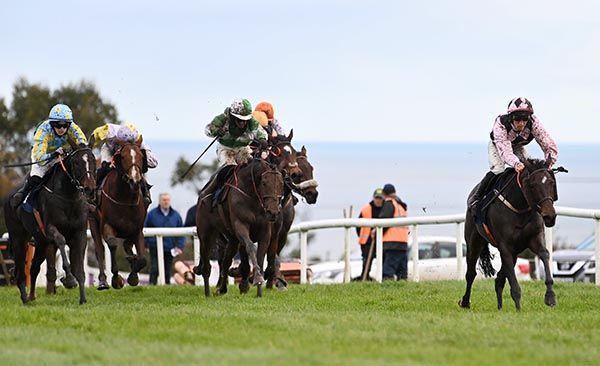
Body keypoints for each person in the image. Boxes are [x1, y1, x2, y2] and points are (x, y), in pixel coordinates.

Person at [470, 97, 559, 211]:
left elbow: (547, 142)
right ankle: (477, 198)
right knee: (498, 169)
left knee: (530, 171)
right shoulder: (501, 123)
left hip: (517, 146)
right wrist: (516, 163)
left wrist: (549, 162)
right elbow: (505, 151)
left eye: (524, 119)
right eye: (517, 119)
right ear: (511, 118)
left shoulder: (534, 122)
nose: (521, 124)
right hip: (499, 146)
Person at [10, 104, 88, 209]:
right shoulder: (43, 130)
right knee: (36, 179)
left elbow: (83, 145)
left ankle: (88, 199)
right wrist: (53, 154)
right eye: (58, 125)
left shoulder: (73, 128)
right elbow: (40, 159)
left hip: (64, 154)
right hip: (43, 156)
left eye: (65, 126)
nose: (62, 129)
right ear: (52, 124)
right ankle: (24, 194)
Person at [203, 99, 268, 204]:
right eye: (240, 120)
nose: (243, 123)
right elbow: (207, 130)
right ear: (233, 116)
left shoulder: (252, 122)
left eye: (245, 120)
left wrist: (263, 140)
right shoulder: (223, 119)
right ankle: (213, 194)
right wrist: (216, 131)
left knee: (252, 167)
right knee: (229, 168)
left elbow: (261, 133)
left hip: (243, 148)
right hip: (225, 149)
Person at [90, 122, 158, 206]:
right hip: (110, 150)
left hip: (128, 156)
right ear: (118, 138)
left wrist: (141, 157)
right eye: (124, 142)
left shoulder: (140, 142)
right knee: (104, 168)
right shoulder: (109, 131)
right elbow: (93, 139)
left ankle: (145, 191)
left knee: (136, 169)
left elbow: (154, 163)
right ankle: (92, 192)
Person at [144, 193, 185, 285]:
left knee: (167, 269)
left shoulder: (176, 215)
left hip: (170, 247)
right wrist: (145, 244)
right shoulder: (151, 214)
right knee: (154, 268)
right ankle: (152, 286)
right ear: (159, 201)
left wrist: (180, 246)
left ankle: (166, 286)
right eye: (164, 200)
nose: (166, 202)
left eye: (167, 200)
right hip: (154, 246)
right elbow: (145, 229)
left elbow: (181, 232)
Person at [379, 183, 409, 280]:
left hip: (391, 242)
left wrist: (377, 233)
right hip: (403, 242)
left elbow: (384, 223)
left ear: (384, 194)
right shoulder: (401, 205)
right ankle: (403, 291)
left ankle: (387, 291)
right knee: (402, 273)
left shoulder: (389, 203)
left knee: (387, 272)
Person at [355, 188, 385, 281]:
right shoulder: (366, 209)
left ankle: (383, 279)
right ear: (373, 198)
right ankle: (365, 277)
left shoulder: (386, 209)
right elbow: (358, 225)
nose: (378, 200)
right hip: (367, 241)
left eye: (380, 198)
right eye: (377, 198)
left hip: (381, 241)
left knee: (383, 260)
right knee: (367, 260)